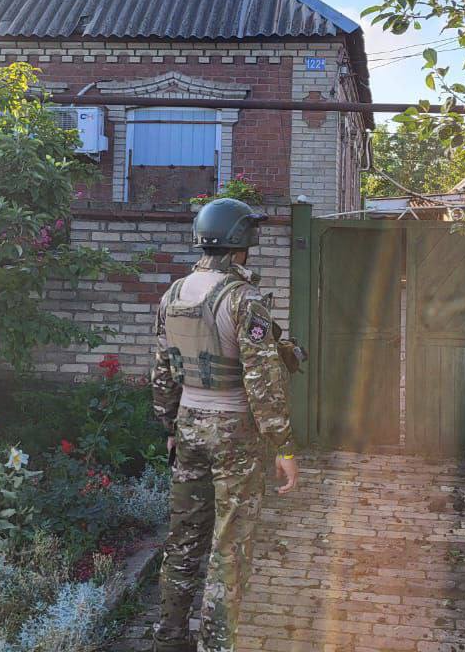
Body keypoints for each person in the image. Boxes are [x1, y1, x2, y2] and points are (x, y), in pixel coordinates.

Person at [151, 197, 299, 652]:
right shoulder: (243, 299)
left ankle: (169, 637)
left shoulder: (174, 294)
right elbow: (263, 380)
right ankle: (215, 645)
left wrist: (170, 427)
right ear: (241, 243)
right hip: (235, 432)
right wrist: (283, 444)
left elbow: (163, 370)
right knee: (229, 548)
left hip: (189, 427)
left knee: (184, 538)